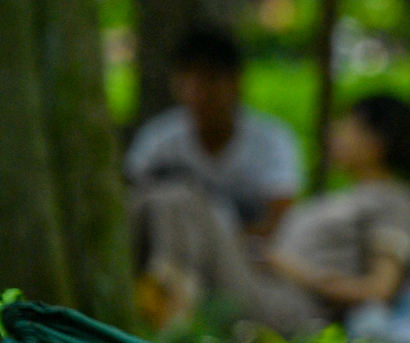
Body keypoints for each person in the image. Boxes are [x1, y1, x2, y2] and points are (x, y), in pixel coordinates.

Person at [131, 92, 410, 341]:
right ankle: (151, 303)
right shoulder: (345, 195)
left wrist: (293, 270)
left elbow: (380, 290)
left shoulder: (392, 200)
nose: (334, 133)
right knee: (147, 200)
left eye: (347, 127)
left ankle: (169, 315)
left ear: (375, 143)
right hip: (264, 283)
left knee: (178, 198)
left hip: (292, 307)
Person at [124, 25, 302, 237]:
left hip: (246, 255)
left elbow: (281, 217)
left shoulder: (271, 140)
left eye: (209, 79)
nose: (196, 93)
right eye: (187, 80)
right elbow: (130, 199)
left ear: (235, 81)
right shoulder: (158, 138)